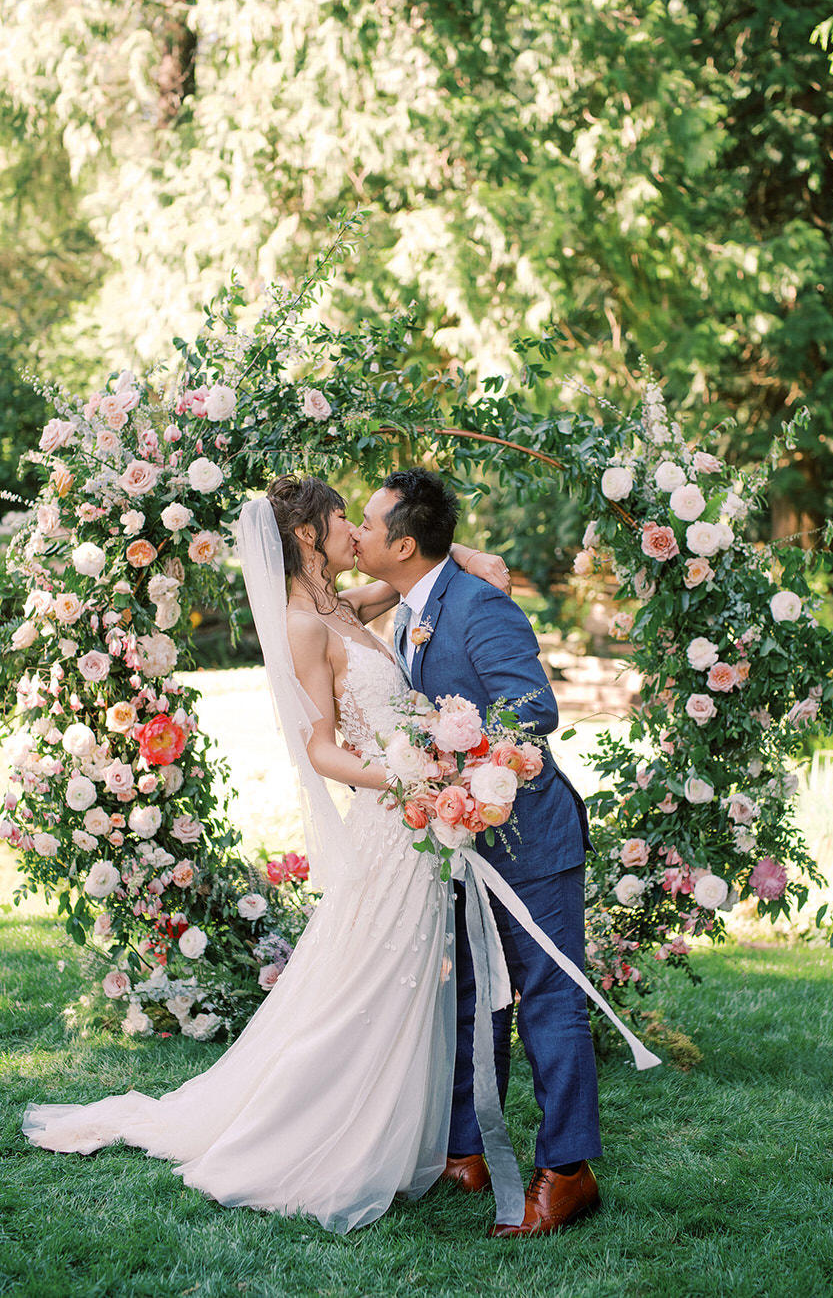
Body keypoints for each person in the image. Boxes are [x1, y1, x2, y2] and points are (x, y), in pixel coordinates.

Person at [22, 475, 505, 1234]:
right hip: (391, 819)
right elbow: (320, 750)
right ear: (309, 534)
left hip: (411, 825)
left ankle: (406, 1127)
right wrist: (409, 777)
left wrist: (463, 551)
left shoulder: (340, 608)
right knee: (365, 985)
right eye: (341, 515)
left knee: (394, 980)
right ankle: (307, 1132)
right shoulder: (301, 625)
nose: (354, 526)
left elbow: (412, 580)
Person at [353, 467, 602, 1239]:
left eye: (367, 524)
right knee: (471, 997)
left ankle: (568, 1170)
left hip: (530, 839)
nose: (356, 536)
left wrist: (445, 748)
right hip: (459, 839)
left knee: (549, 1001)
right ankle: (467, 1145)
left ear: (401, 542)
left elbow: (534, 707)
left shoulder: (479, 603)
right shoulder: (414, 601)